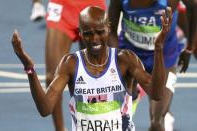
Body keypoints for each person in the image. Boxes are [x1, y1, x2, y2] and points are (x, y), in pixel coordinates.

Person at [11, 6, 171, 131]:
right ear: (80, 34)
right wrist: (29, 68)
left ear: (108, 28)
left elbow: (157, 94)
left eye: (100, 32)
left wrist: (158, 49)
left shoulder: (125, 60)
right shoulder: (71, 64)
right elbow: (45, 108)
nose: (95, 39)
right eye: (88, 34)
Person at [108, 0, 197, 131]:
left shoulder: (171, 2)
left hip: (164, 56)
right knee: (116, 118)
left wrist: (190, 47)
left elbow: (193, 7)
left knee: (157, 122)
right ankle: (133, 92)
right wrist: (113, 64)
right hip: (130, 54)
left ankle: (162, 114)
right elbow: (111, 30)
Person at [45, 1, 106, 131]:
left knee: (97, 75)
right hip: (62, 6)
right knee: (52, 77)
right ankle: (60, 129)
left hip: (92, 6)